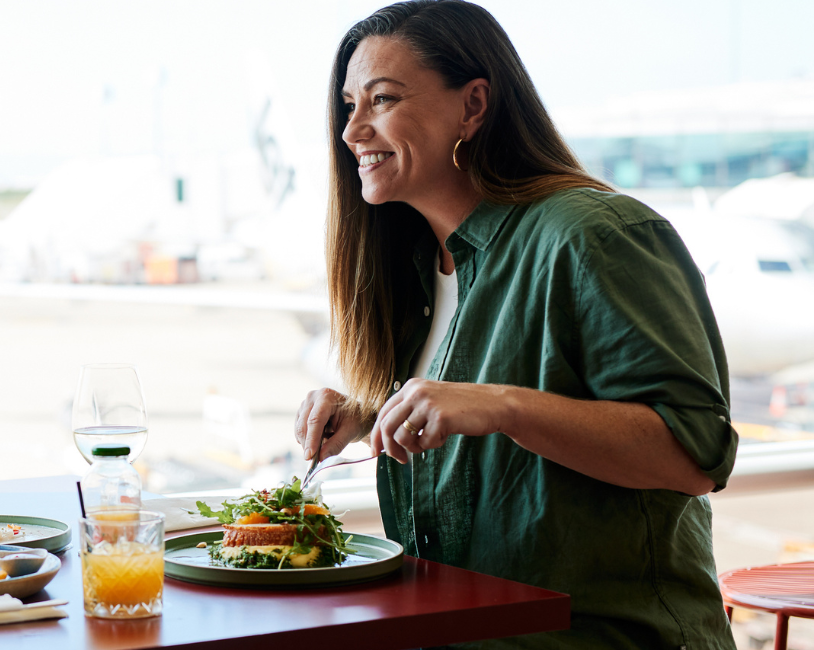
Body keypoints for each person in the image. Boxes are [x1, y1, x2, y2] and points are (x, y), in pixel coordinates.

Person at [292, 2, 736, 647]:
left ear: (473, 105)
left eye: (381, 100)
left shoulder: (593, 236)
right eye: (348, 106)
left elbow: (695, 453)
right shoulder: (418, 266)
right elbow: (466, 410)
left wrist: (504, 406)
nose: (353, 131)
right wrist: (370, 411)